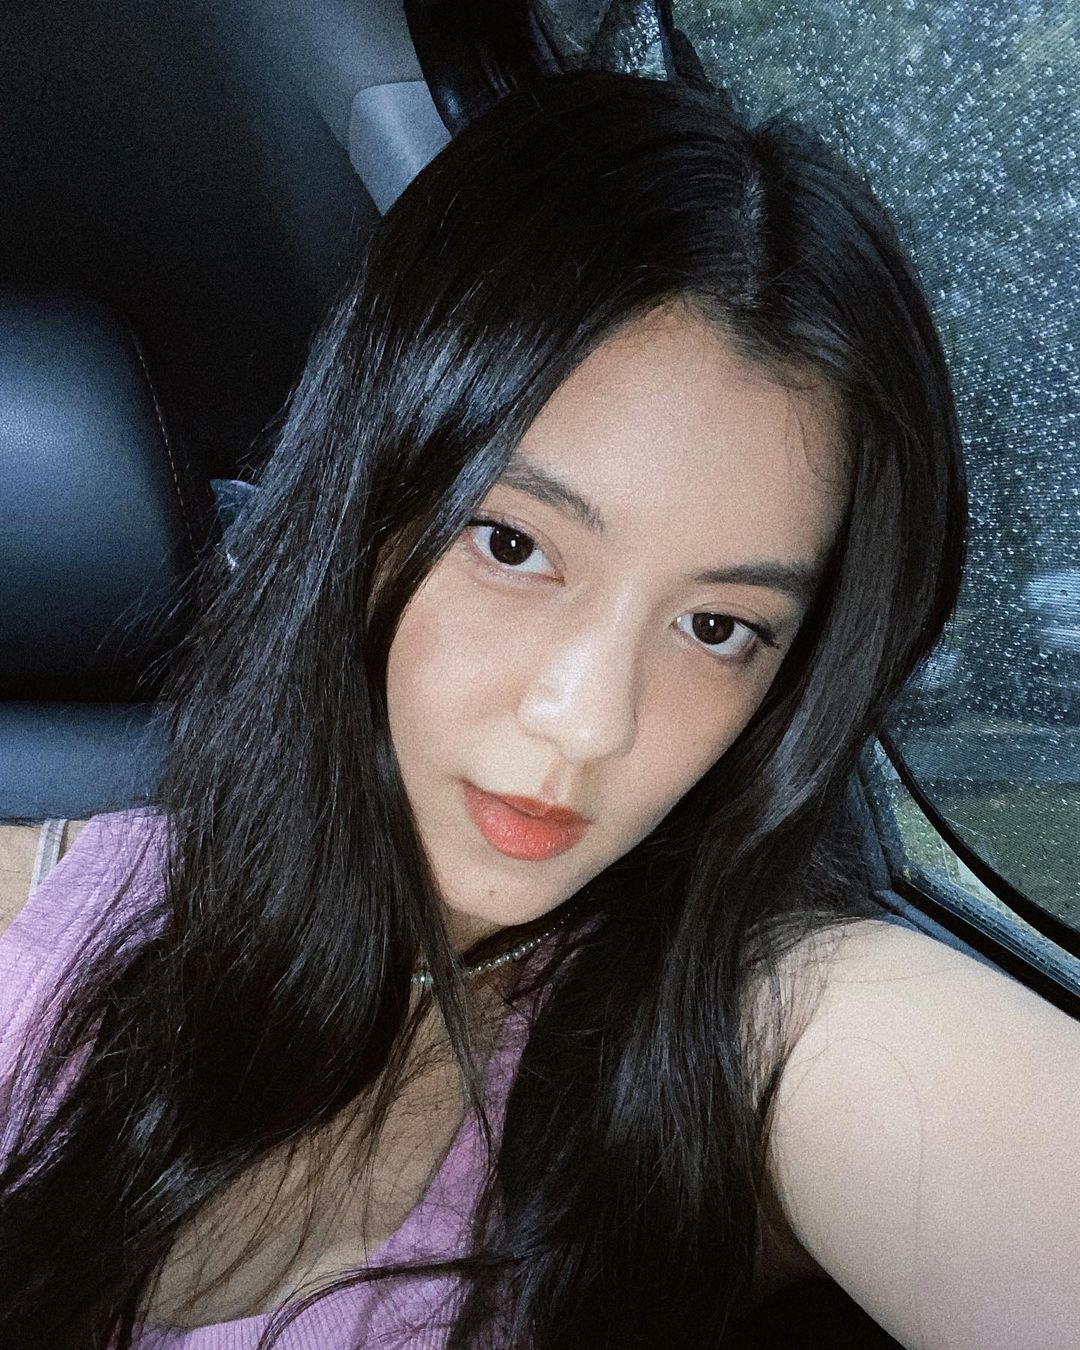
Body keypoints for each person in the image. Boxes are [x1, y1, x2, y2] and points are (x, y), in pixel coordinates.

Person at [0, 68, 1077, 1350]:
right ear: (363, 510)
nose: (586, 722)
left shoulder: (736, 1038)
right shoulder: (35, 925)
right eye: (512, 546)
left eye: (718, 628)